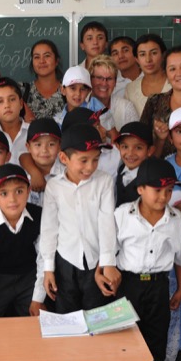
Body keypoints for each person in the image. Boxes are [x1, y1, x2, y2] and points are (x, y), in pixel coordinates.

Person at [114, 157, 181, 361]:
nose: (164, 197)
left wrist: (179, 289)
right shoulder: (122, 215)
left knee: (156, 336)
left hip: (159, 286)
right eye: (157, 190)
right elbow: (109, 253)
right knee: (125, 336)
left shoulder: (175, 220)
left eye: (169, 191)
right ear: (140, 189)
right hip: (128, 285)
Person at [40, 123, 119, 313]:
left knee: (98, 317)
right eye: (83, 160)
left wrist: (108, 262)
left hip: (96, 262)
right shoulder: (54, 187)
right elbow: (49, 229)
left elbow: (107, 223)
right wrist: (48, 268)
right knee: (67, 318)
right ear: (64, 158)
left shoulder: (104, 182)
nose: (90, 167)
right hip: (65, 262)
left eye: (95, 160)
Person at [0, 163, 46, 318]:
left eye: (19, 191)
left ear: (28, 191)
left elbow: (44, 259)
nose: (13, 199)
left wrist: (38, 298)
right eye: (4, 193)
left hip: (29, 279)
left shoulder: (39, 217)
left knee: (36, 320)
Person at [141, 45, 181, 158]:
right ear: (166, 74)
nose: (179, 73)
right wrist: (160, 139)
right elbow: (141, 145)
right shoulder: (154, 102)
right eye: (172, 69)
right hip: (161, 171)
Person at [88, 55, 138, 137]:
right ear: (90, 80)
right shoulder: (81, 105)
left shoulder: (126, 108)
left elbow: (136, 141)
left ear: (115, 82)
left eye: (109, 79)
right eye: (99, 78)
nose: (104, 83)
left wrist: (113, 134)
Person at [126, 34, 171, 117]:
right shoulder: (130, 89)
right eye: (142, 54)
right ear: (137, 59)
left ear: (163, 55)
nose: (148, 59)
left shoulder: (175, 84)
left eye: (154, 53)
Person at [23, 118, 63, 206]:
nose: (44, 150)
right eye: (38, 145)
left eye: (51, 144)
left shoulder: (67, 173)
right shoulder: (22, 176)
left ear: (59, 146)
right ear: (28, 147)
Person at [22, 39, 66, 120]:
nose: (42, 61)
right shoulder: (23, 91)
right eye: (37, 57)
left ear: (56, 61)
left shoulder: (68, 91)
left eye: (47, 56)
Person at [0, 77, 29, 164]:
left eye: (12, 99)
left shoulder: (33, 132)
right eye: (0, 101)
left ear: (21, 103)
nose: (7, 105)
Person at [115, 121, 154, 207]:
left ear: (150, 151)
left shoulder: (151, 179)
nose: (130, 153)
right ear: (118, 147)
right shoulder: (119, 170)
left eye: (138, 148)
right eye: (125, 147)